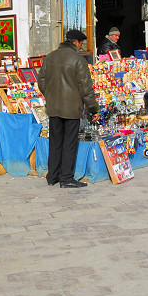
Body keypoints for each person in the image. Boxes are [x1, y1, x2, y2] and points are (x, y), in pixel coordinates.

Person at [37, 29, 101, 188]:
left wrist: (51, 96)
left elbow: (41, 81)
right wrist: (94, 109)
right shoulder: (78, 60)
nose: (81, 47)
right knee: (69, 143)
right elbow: (86, 88)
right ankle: (66, 178)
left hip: (53, 107)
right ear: (76, 42)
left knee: (55, 141)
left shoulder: (50, 57)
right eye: (81, 43)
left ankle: (52, 176)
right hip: (71, 108)